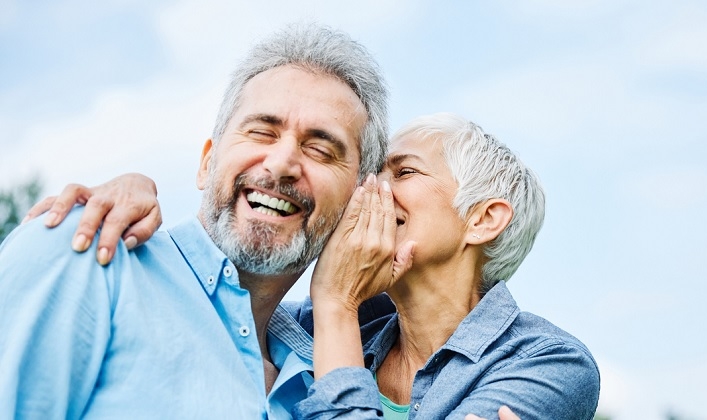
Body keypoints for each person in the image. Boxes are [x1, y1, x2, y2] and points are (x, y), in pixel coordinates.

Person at [32, 114, 601, 419]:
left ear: (483, 219)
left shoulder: (548, 364)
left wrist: (336, 306)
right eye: (369, 174)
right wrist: (135, 195)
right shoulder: (303, 335)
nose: (368, 192)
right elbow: (214, 298)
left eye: (401, 173)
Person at [0, 22, 392, 419]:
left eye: (320, 149)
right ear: (207, 163)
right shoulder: (83, 248)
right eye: (260, 132)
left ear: (360, 201)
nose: (283, 163)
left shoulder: (325, 382)